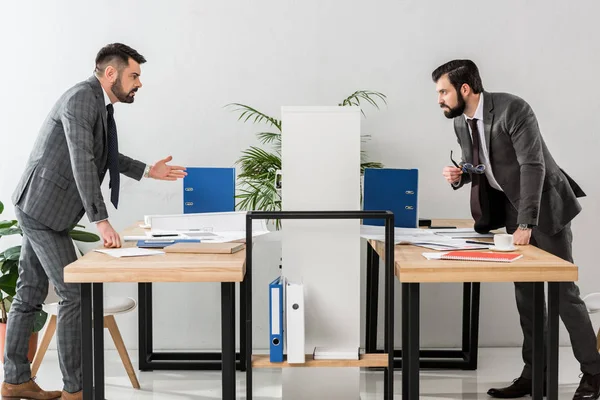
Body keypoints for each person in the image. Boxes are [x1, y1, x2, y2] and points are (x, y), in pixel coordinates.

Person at [1, 43, 187, 400]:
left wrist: (149, 170)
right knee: (74, 292)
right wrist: (101, 220)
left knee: (29, 293)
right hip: (42, 209)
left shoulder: (96, 104)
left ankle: (14, 380)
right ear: (111, 73)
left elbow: (103, 154)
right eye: (134, 76)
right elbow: (83, 160)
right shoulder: (81, 99)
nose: (139, 84)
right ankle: (76, 390)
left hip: (44, 208)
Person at [433, 59, 600, 400]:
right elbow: (480, 165)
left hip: (545, 207)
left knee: (563, 294)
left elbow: (532, 165)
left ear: (465, 89)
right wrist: (461, 175)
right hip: (511, 209)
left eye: (443, 91)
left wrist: (527, 223)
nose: (440, 99)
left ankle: (595, 373)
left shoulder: (513, 109)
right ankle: (533, 373)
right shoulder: (462, 123)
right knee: (526, 295)